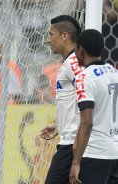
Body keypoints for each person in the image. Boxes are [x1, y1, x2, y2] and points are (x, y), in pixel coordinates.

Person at [69, 29, 118, 184]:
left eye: (76, 49)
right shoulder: (113, 71)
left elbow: (87, 122)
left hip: (95, 154)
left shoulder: (84, 77)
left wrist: (76, 162)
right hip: (115, 154)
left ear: (81, 49)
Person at [38, 15, 83, 184]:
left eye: (51, 35)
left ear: (64, 36)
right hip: (72, 139)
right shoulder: (71, 62)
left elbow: (87, 99)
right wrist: (60, 126)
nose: (48, 40)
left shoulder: (74, 64)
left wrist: (77, 134)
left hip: (72, 144)